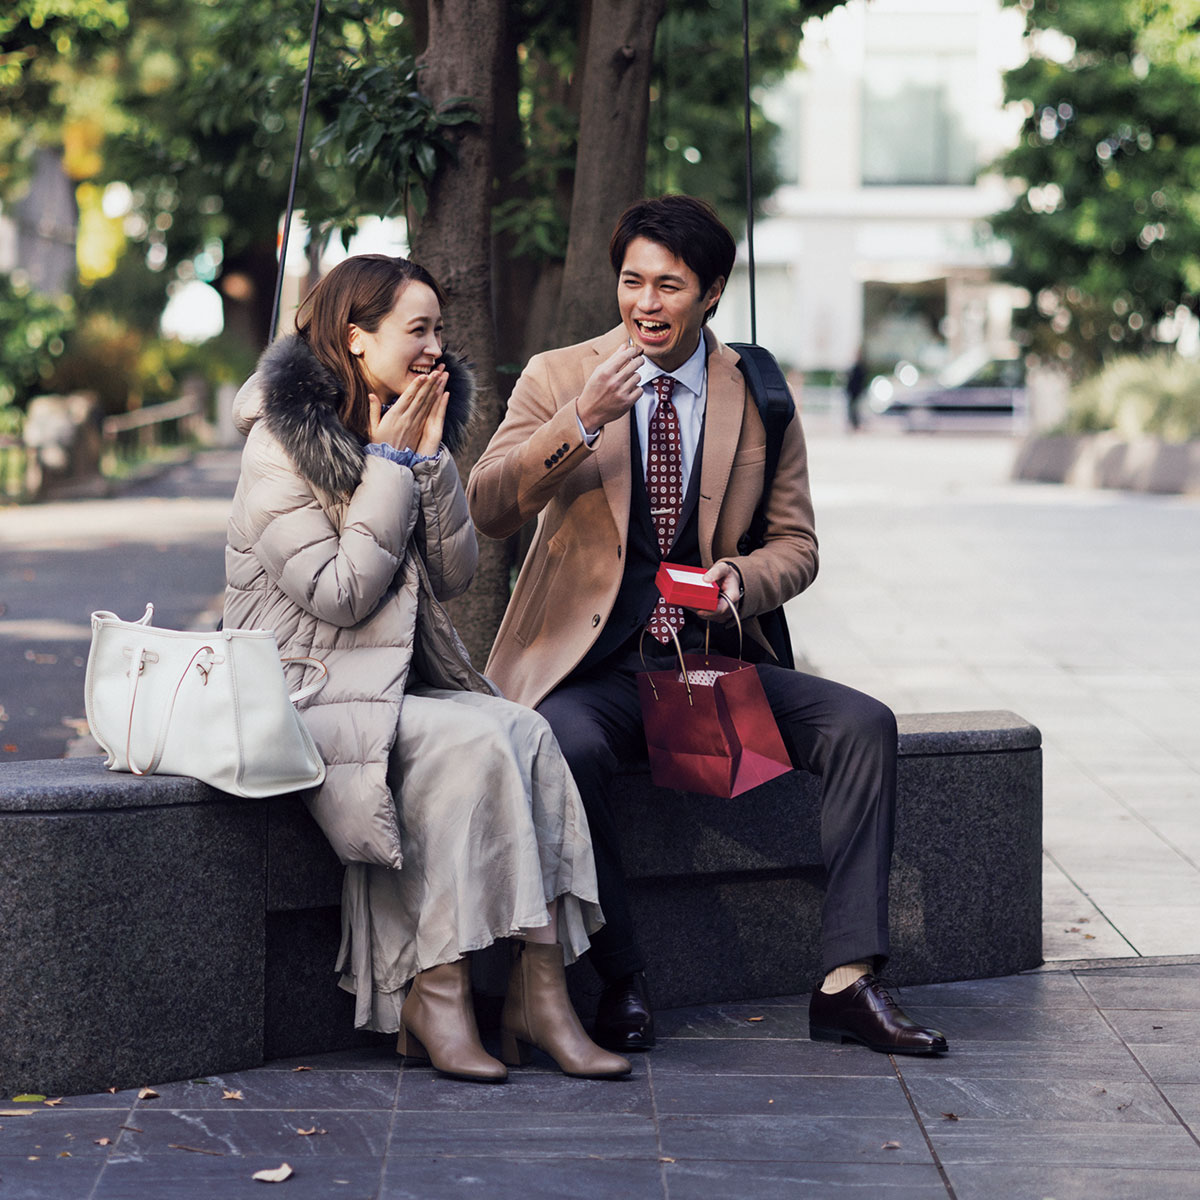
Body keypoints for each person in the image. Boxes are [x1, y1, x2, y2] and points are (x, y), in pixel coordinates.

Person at [466, 196, 947, 1058]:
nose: (645, 304)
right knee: (561, 746)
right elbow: (488, 506)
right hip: (591, 670)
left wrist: (741, 579)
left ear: (713, 292)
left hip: (705, 664)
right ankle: (622, 977)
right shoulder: (558, 373)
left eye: (669, 286)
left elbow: (797, 545)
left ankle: (848, 982)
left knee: (863, 724)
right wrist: (578, 423)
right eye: (632, 282)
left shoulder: (756, 391)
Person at [223, 253, 630, 1083]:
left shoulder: (406, 428)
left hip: (386, 686)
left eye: (439, 329)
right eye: (418, 330)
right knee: (473, 744)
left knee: (526, 730)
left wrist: (429, 461)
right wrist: (390, 465)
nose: (435, 346)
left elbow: (451, 575)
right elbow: (341, 594)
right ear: (355, 336)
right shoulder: (277, 445)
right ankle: (434, 994)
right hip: (306, 692)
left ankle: (540, 994)